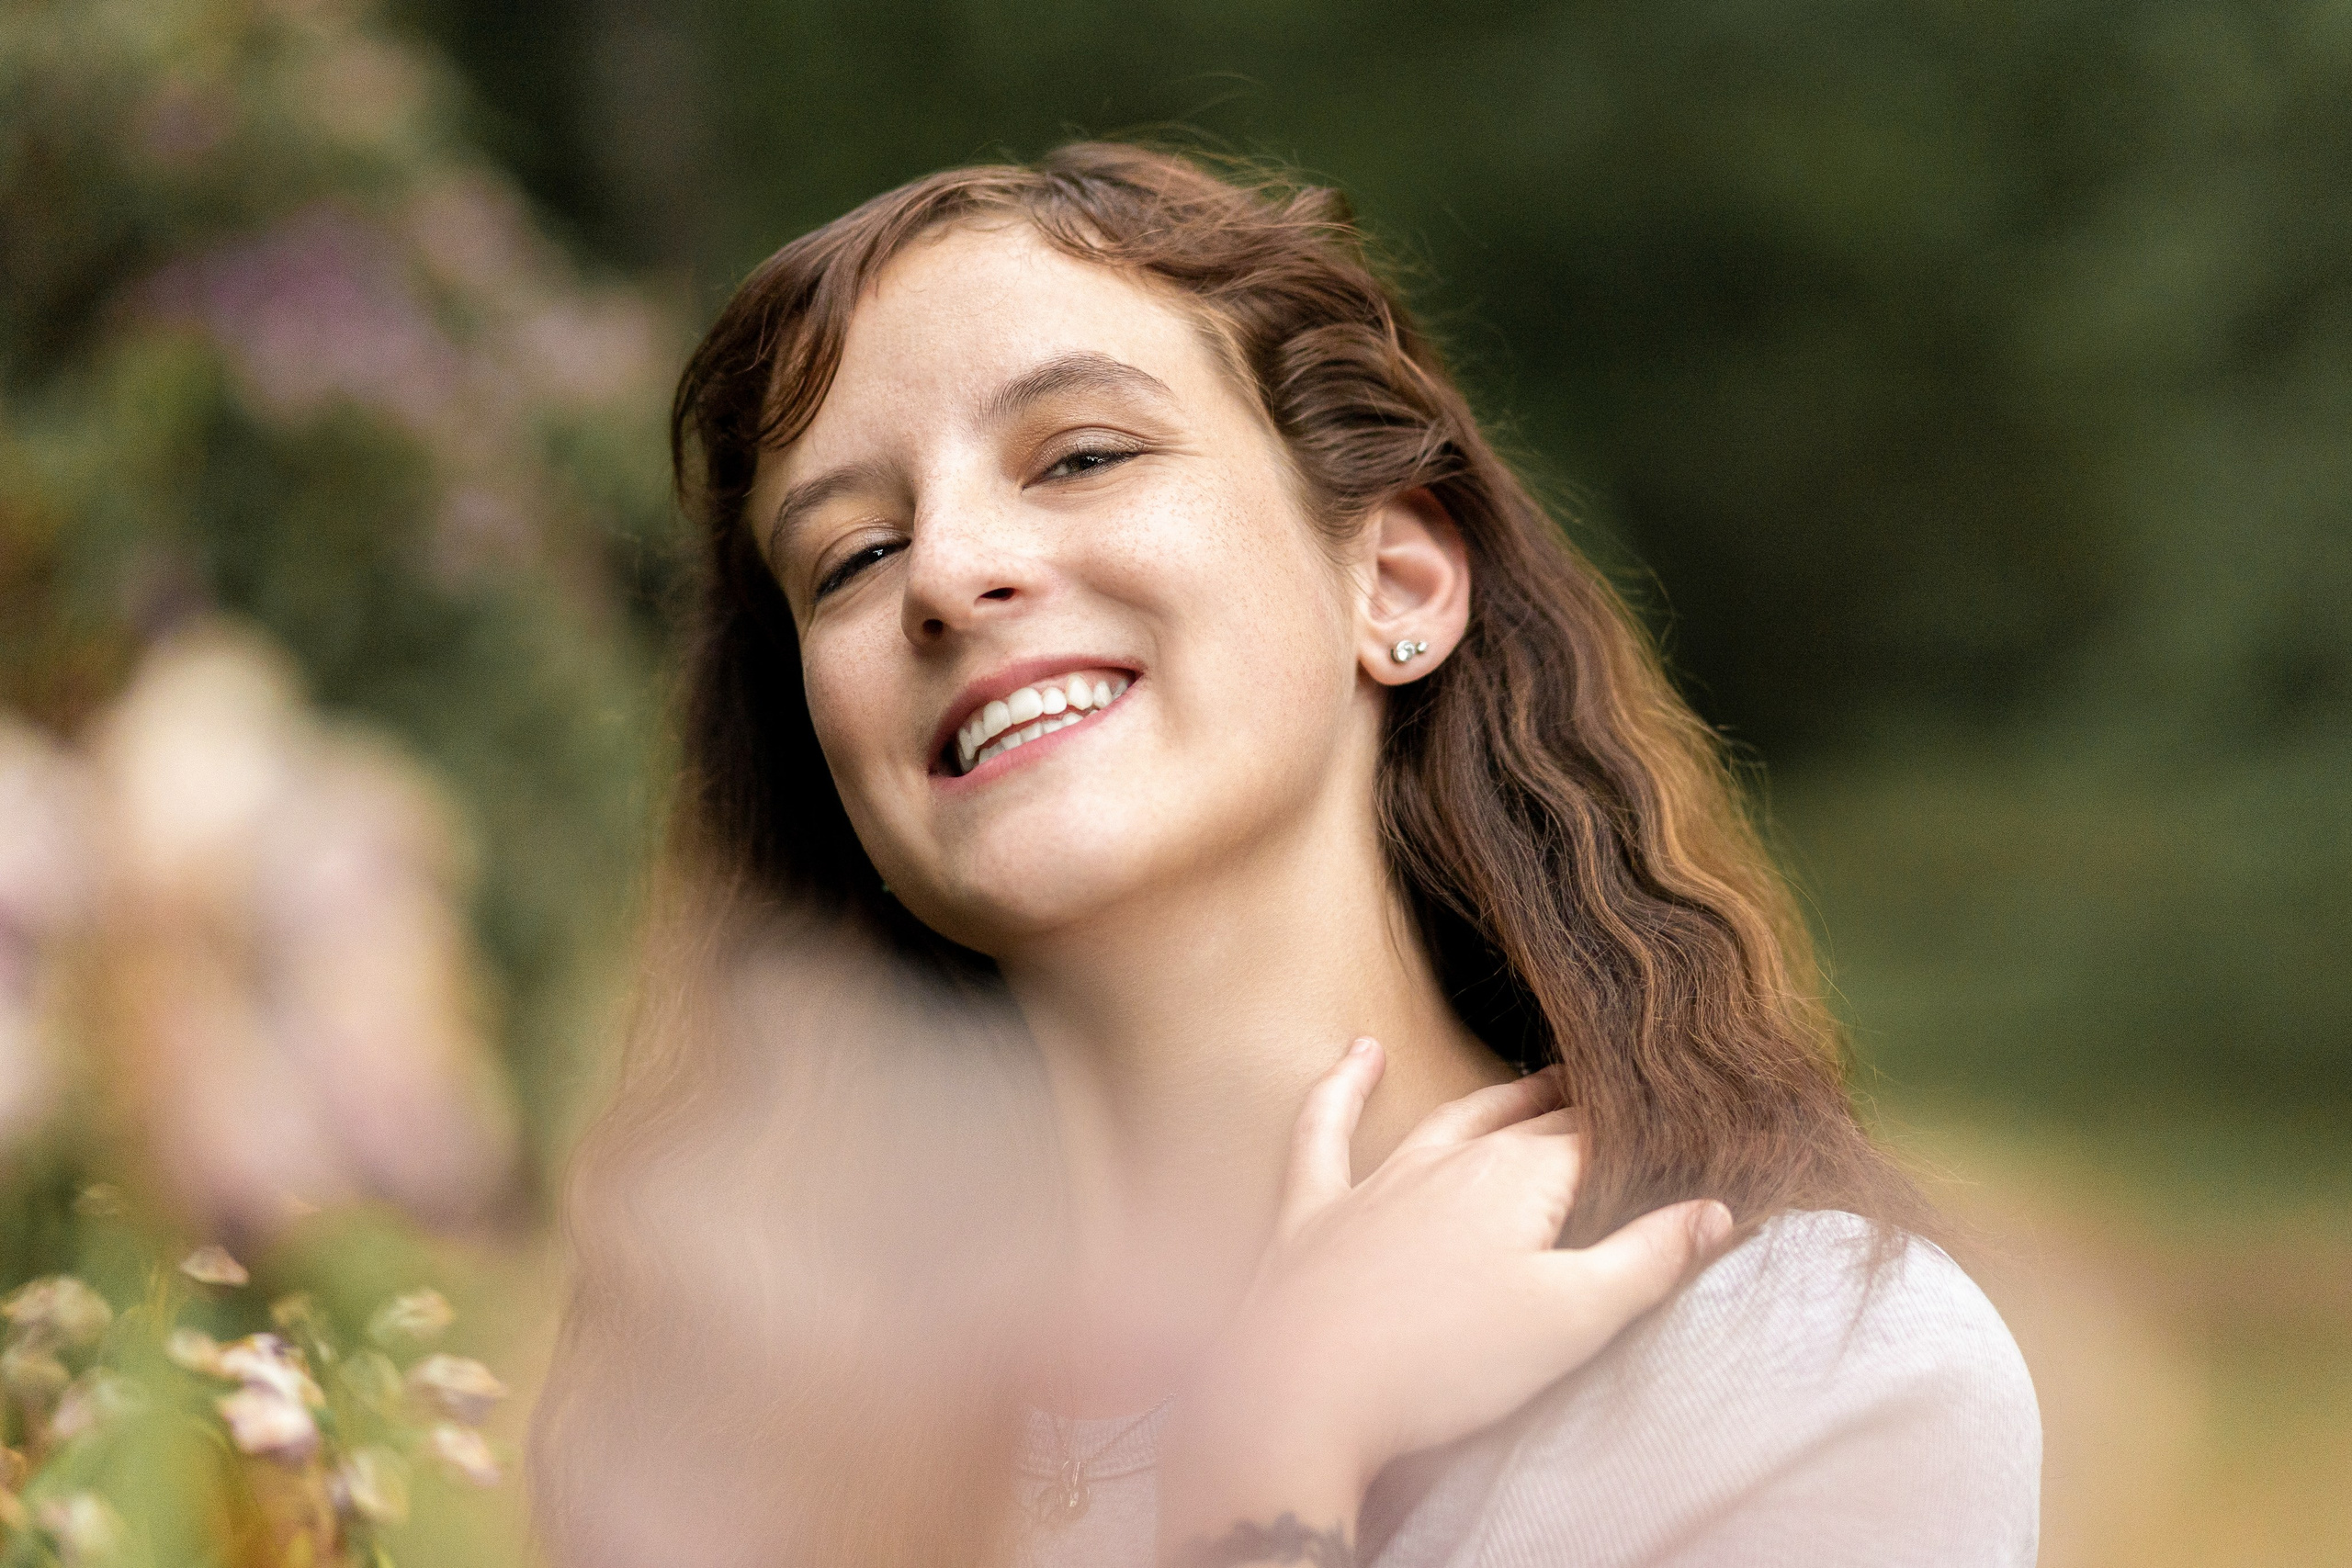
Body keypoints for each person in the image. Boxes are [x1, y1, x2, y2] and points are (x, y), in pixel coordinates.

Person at [532, 143, 2040, 1568]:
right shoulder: (762, 1464)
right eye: (850, 556)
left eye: (1080, 455)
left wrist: (1264, 1453)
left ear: (1395, 578)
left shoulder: (1790, 1374)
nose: (944, 571)